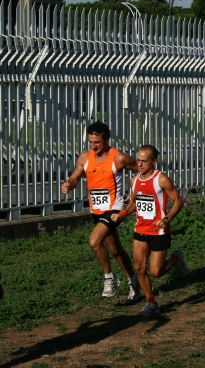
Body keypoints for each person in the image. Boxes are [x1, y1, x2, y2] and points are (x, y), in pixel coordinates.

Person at [61, 122, 141, 300]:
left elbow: (144, 171)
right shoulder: (84, 158)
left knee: (95, 241)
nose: (93, 146)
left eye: (96, 142)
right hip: (96, 210)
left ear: (106, 140)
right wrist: (69, 185)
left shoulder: (118, 158)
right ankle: (135, 282)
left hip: (115, 208)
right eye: (90, 142)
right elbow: (75, 178)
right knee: (115, 249)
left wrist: (135, 193)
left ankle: (109, 278)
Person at [110, 145, 187, 316]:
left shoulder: (161, 180)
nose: (140, 164)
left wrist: (166, 219)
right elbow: (135, 204)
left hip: (159, 232)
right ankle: (151, 303)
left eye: (144, 161)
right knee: (139, 268)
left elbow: (178, 201)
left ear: (154, 161)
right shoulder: (134, 181)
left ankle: (175, 260)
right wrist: (122, 214)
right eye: (138, 160)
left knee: (156, 272)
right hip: (140, 230)